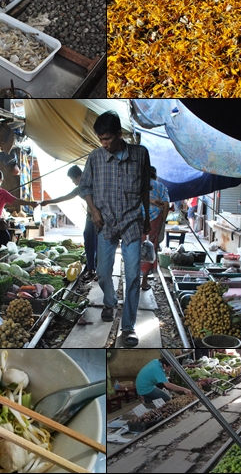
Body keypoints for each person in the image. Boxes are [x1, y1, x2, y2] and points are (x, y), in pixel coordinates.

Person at [79, 110, 151, 347]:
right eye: (101, 139)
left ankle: (128, 327)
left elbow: (144, 190)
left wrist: (147, 219)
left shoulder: (140, 155)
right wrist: (93, 210)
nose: (105, 144)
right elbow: (85, 188)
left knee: (132, 275)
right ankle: (110, 302)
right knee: (102, 272)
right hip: (105, 221)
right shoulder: (95, 157)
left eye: (108, 138)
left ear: (120, 134)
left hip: (131, 222)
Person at [40, 165, 98, 281]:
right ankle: (91, 269)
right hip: (89, 218)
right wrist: (48, 202)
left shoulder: (93, 184)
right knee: (88, 243)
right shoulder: (80, 188)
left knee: (97, 244)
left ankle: (99, 271)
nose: (73, 182)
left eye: (73, 179)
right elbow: (65, 197)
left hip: (99, 218)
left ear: (79, 176)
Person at [140, 166, 170, 290]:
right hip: (154, 221)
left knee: (136, 248)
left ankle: (133, 280)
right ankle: (144, 281)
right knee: (149, 249)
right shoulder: (161, 186)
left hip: (138, 220)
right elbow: (167, 204)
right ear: (155, 175)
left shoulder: (139, 185)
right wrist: (163, 220)